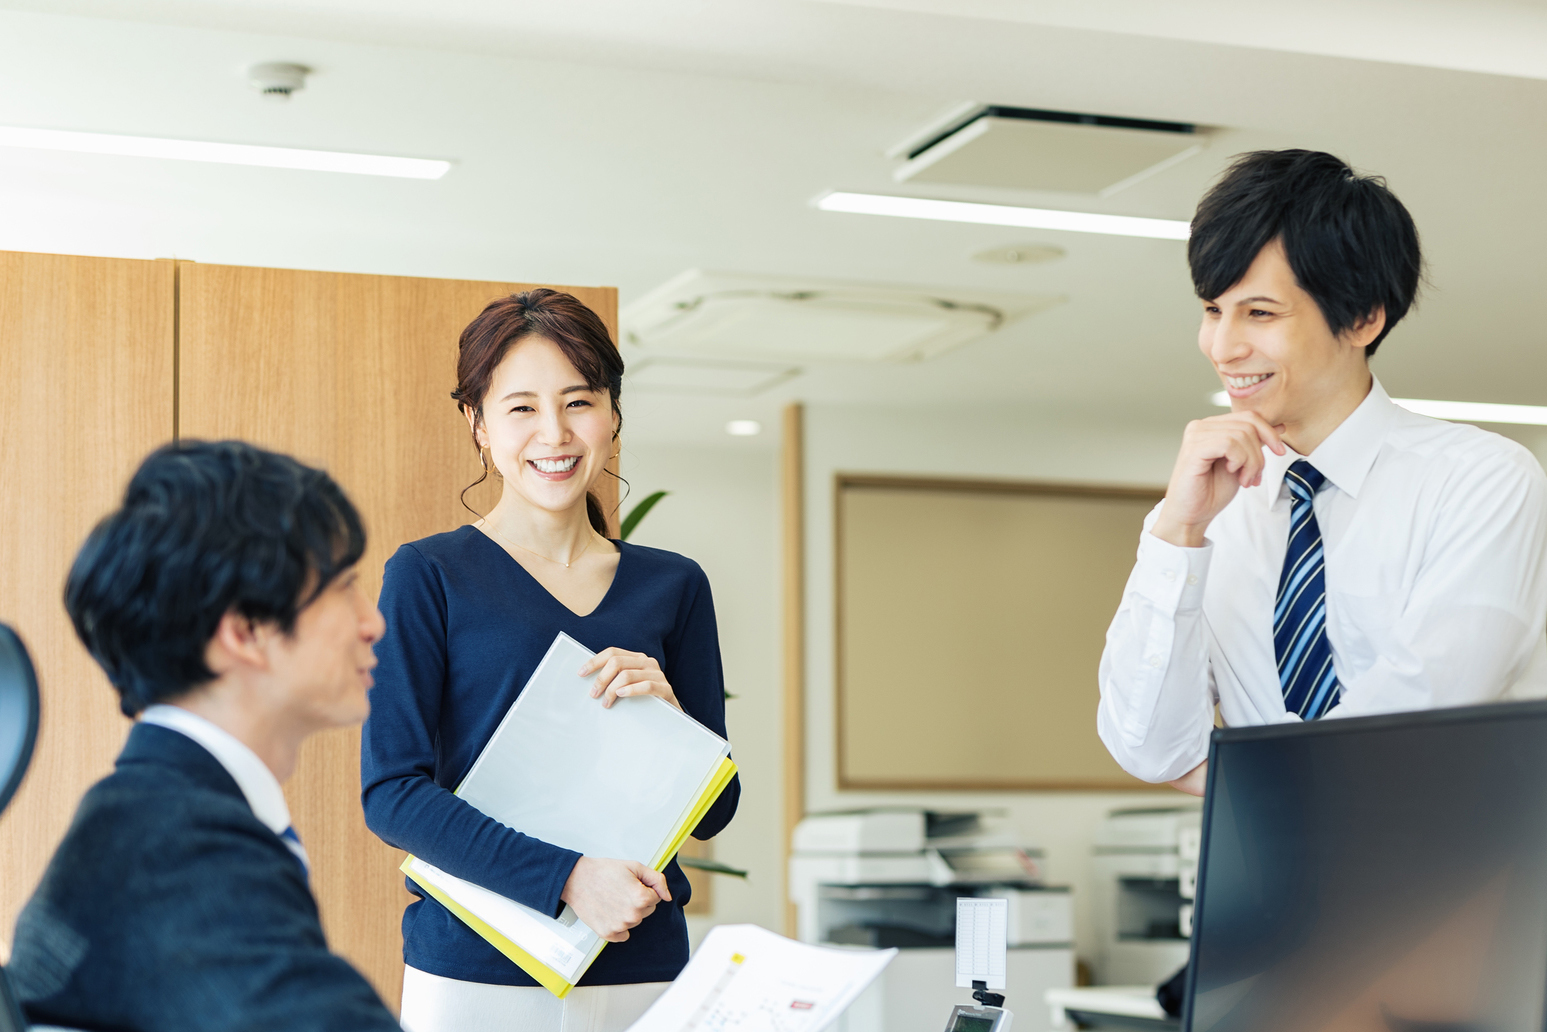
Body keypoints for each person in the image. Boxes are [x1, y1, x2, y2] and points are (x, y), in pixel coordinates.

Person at [1098, 149, 1547, 797]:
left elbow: (1412, 724)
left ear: (1363, 317)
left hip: (1456, 877)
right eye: (1211, 310)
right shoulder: (1209, 513)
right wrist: (1177, 530)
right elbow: (1148, 746)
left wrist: (1232, 779)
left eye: (1258, 313)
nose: (1223, 347)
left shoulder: (1479, 480)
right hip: (1269, 882)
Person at [361, 288, 740, 1032]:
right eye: (521, 407)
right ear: (477, 424)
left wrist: (672, 722)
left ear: (612, 413)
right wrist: (567, 879)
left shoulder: (675, 584)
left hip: (644, 965)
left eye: (578, 401)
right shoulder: (429, 575)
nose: (555, 433)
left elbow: (716, 811)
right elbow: (393, 792)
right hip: (478, 972)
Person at [7, 440, 399, 1031]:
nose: (375, 622)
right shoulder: (174, 848)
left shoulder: (153, 813)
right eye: (344, 587)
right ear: (244, 631)